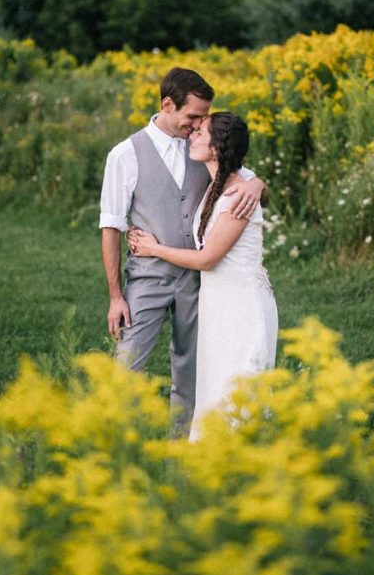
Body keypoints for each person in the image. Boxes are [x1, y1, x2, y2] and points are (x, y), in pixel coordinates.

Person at [99, 67, 266, 438]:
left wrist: (258, 186)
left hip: (199, 282)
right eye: (192, 117)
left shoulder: (203, 150)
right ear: (167, 105)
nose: (196, 126)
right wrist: (115, 296)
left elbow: (244, 178)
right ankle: (113, 446)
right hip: (146, 278)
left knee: (190, 372)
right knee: (127, 365)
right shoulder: (125, 154)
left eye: (201, 120)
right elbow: (110, 225)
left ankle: (183, 452)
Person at [128, 112, 277, 441]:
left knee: (239, 390)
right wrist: (258, 183)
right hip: (219, 305)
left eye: (200, 132)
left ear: (217, 147)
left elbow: (208, 259)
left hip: (242, 307)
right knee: (215, 385)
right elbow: (257, 184)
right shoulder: (220, 183)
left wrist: (155, 249)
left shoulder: (237, 196)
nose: (192, 135)